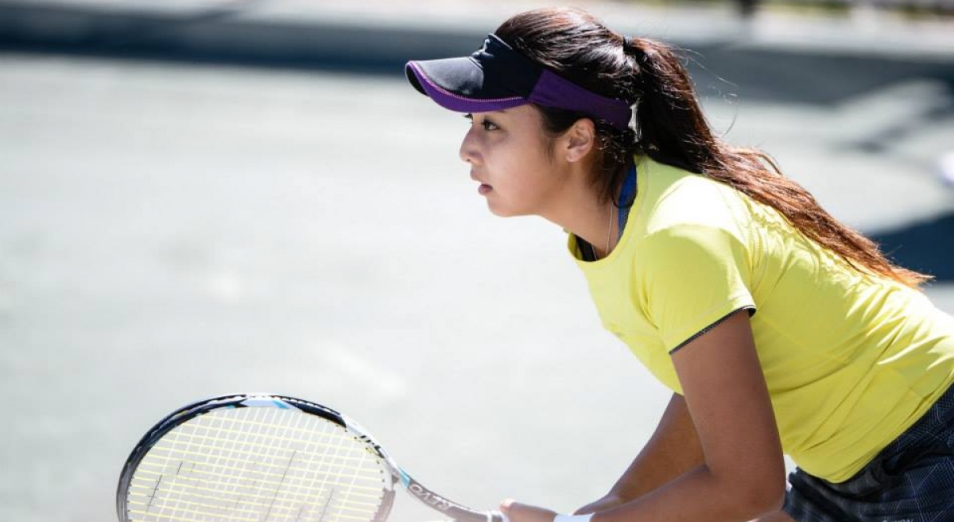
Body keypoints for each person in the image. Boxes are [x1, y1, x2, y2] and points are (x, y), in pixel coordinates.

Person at [405, 7, 954, 522]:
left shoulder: (674, 235)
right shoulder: (616, 226)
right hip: (857, 458)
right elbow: (708, 393)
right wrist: (610, 507)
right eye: (473, 124)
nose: (467, 149)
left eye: (491, 127)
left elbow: (746, 487)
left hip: (930, 444)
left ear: (577, 140)